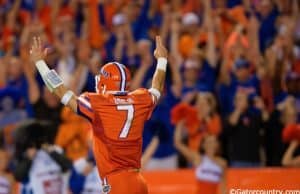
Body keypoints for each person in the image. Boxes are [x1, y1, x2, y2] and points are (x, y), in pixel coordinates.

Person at [29, 35, 168, 194]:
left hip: (117, 182)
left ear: (104, 82)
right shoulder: (140, 99)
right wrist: (162, 60)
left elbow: (60, 91)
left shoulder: (99, 103)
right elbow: (157, 88)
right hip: (138, 181)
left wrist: (40, 63)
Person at [174, 119, 227, 194]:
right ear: (203, 145)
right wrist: (180, 124)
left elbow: (223, 187)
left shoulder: (222, 163)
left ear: (217, 145)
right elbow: (178, 143)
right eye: (208, 142)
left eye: (213, 142)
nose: (211, 145)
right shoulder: (199, 159)